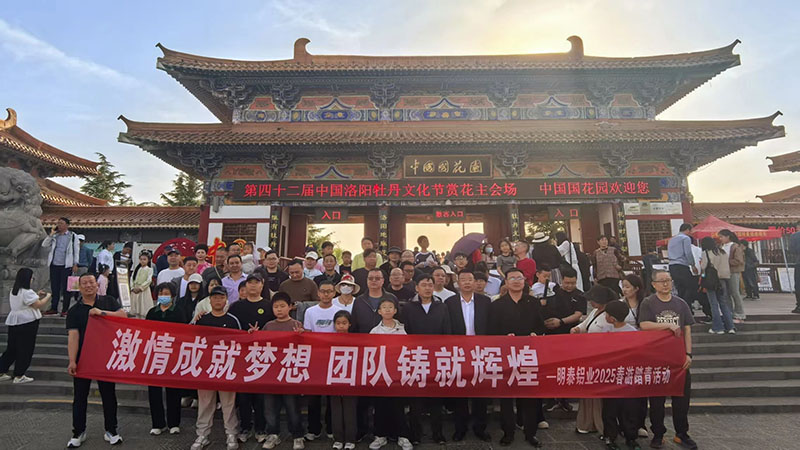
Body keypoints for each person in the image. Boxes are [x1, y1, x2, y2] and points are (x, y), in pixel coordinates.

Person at [66, 273, 127, 448]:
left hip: (105, 357)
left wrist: (101, 313)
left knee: (108, 395)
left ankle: (111, 430)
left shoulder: (108, 301)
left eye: (91, 282)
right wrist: (72, 360)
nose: (88, 285)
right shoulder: (74, 311)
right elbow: (73, 336)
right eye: (84, 283)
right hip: (83, 358)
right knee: (80, 396)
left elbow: (123, 316)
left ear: (97, 284)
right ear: (79, 287)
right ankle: (78, 432)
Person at [639, 270, 696, 450]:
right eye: (661, 281)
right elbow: (644, 325)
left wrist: (688, 354)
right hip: (657, 358)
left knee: (682, 399)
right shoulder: (648, 303)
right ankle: (658, 434)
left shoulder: (681, 304)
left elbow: (687, 330)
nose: (665, 284)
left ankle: (682, 433)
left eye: (668, 280)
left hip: (678, 358)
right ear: (653, 284)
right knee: (657, 399)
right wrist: (668, 325)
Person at [488, 267, 544, 448]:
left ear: (524, 281)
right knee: (506, 396)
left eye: (520, 278)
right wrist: (504, 338)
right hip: (506, 356)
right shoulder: (497, 305)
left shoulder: (533, 302)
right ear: (506, 282)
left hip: (528, 355)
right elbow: (491, 330)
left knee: (529, 396)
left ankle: (530, 433)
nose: (517, 281)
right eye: (512, 278)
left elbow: (541, 325)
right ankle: (508, 432)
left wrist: (536, 333)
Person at [349, 268, 398, 441]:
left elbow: (398, 323)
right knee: (363, 395)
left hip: (387, 354)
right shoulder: (359, 301)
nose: (374, 281)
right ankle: (362, 429)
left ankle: (388, 430)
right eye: (371, 278)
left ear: (383, 280)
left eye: (378, 278)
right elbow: (354, 327)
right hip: (365, 353)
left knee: (386, 395)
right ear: (367, 281)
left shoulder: (391, 298)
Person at [444, 270, 492, 443]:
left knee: (480, 391)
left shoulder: (485, 301)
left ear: (474, 282)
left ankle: (480, 428)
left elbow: (490, 326)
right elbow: (447, 327)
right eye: (463, 279)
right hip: (459, 352)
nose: (466, 282)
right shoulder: (449, 303)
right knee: (460, 392)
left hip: (480, 351)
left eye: (470, 279)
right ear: (458, 282)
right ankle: (460, 428)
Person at [403, 274, 451, 445]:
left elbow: (447, 331)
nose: (428, 288)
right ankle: (415, 434)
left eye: (430, 285)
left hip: (437, 357)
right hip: (415, 357)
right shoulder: (408, 308)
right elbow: (405, 331)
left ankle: (438, 433)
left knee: (436, 398)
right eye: (424, 285)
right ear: (417, 288)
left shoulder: (441, 306)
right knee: (416, 400)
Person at [192, 286, 241, 450]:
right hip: (205, 369)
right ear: (210, 300)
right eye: (214, 297)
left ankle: (231, 433)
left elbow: (240, 344)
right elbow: (192, 341)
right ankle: (202, 435)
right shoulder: (202, 319)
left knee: (228, 403)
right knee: (205, 403)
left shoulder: (233, 320)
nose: (218, 301)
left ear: (226, 300)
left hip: (226, 369)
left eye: (221, 297)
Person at [227, 274, 271, 444]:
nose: (253, 286)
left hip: (263, 356)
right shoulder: (236, 307)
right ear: (245, 286)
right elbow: (229, 328)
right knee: (243, 396)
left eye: (256, 282)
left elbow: (276, 330)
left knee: (261, 397)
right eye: (250, 283)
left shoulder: (268, 306)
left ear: (262, 285)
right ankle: (245, 427)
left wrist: (261, 335)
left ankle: (261, 428)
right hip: (242, 356)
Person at [571, 285, 617, 436]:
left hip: (602, 358)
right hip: (589, 356)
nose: (591, 302)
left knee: (598, 393)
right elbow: (585, 325)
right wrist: (577, 329)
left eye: (593, 300)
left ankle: (599, 422)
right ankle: (587, 422)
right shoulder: (594, 312)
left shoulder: (609, 316)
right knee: (588, 392)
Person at [262, 292, 306, 450]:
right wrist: (253, 335)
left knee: (292, 406)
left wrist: (302, 335)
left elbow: (305, 346)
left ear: (290, 307)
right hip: (271, 373)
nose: (279, 309)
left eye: (282, 306)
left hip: (289, 373)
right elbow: (259, 345)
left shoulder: (296, 325)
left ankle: (297, 435)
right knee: (270, 406)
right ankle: (273, 434)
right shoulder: (268, 326)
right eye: (276, 307)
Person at [368, 298, 413, 450]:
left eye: (390, 307)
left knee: (398, 405)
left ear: (395, 311)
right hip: (380, 373)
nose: (387, 310)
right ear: (379, 311)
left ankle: (403, 436)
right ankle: (380, 436)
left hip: (398, 373)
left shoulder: (403, 329)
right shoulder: (374, 331)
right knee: (381, 405)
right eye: (384, 307)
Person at [540, 267, 584, 414]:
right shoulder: (553, 292)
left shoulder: (580, 295)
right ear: (562, 281)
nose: (570, 286)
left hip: (569, 334)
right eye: (567, 283)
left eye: (573, 283)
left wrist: (561, 321)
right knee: (551, 368)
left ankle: (564, 399)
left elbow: (578, 314)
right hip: (552, 335)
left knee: (566, 368)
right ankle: (551, 400)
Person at [600, 301, 641, 450]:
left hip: (627, 378)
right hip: (610, 378)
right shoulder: (606, 330)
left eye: (606, 314)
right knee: (609, 410)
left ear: (612, 318)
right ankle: (610, 437)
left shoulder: (632, 332)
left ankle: (631, 437)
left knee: (629, 410)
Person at [145, 283, 185, 436]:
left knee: (173, 390)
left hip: (173, 355)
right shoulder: (152, 312)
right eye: (161, 293)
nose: (164, 296)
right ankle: (158, 424)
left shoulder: (179, 312)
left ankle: (174, 423)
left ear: (172, 296)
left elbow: (184, 333)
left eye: (167, 293)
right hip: (154, 355)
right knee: (154, 391)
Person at [302, 280, 339, 442]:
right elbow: (308, 333)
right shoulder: (310, 312)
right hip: (315, 359)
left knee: (332, 398)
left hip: (334, 359)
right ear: (318, 293)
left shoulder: (339, 311)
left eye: (329, 291)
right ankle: (313, 429)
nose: (326, 294)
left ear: (334, 293)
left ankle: (331, 428)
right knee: (313, 398)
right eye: (323, 291)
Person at [0, 268, 50, 384]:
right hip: (27, 322)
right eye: (32, 277)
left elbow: (24, 301)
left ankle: (1, 370)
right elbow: (38, 305)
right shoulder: (28, 292)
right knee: (25, 349)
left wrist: (37, 295)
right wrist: (48, 296)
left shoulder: (14, 291)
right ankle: (19, 374)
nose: (32, 279)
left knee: (12, 348)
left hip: (14, 321)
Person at [329, 310, 358, 450]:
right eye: (338, 323)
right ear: (334, 324)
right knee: (336, 410)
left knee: (350, 409)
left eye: (344, 323)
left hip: (350, 378)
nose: (341, 326)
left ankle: (350, 439)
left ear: (350, 324)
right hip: (333, 378)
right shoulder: (328, 339)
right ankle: (338, 438)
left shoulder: (356, 340)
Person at [42, 217, 81, 316]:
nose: (59, 225)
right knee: (55, 287)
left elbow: (76, 250)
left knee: (66, 288)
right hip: (54, 264)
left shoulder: (72, 236)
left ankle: (65, 309)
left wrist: (75, 263)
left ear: (67, 225)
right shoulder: (55, 236)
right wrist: (51, 234)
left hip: (66, 265)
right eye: (58, 223)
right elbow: (44, 245)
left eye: (61, 223)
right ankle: (54, 307)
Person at [699, 237, 735, 334]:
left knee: (713, 304)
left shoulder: (706, 253)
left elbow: (703, 267)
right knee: (724, 303)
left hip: (711, 280)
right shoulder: (722, 252)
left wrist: (702, 275)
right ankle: (730, 326)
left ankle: (718, 327)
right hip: (723, 280)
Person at [667, 224, 697, 310]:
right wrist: (693, 264)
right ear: (687, 229)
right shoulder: (685, 238)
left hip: (672, 265)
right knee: (690, 287)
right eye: (690, 231)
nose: (691, 233)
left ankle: (680, 308)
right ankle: (686, 307)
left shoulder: (671, 239)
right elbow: (688, 252)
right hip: (681, 265)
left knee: (680, 288)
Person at [719, 229, 746, 322]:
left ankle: (739, 313)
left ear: (728, 237)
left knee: (735, 292)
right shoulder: (721, 246)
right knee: (726, 294)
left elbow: (739, 260)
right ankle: (729, 312)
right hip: (723, 272)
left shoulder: (735, 247)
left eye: (721, 237)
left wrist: (725, 262)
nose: (720, 239)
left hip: (733, 272)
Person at [129, 251, 154, 318]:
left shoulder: (149, 269)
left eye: (144, 259)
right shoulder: (136, 269)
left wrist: (140, 288)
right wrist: (132, 288)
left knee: (143, 305)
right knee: (136, 305)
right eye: (141, 259)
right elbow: (132, 278)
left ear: (148, 260)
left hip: (143, 290)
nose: (142, 261)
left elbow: (149, 280)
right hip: (135, 289)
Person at [790, 226, 800, 314]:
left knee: (798, 284)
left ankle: (799, 305)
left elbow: (792, 250)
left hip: (799, 262)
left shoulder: (794, 236)